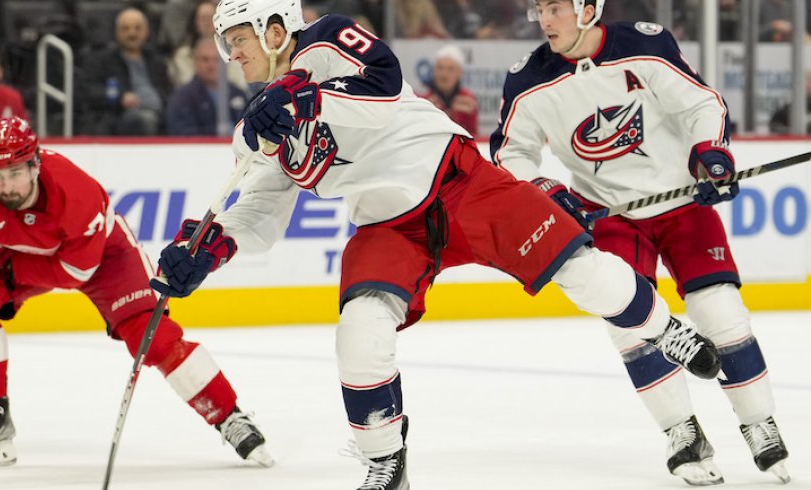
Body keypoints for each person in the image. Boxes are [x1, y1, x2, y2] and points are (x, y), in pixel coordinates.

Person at [150, 1, 722, 488]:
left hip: (460, 182)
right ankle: (384, 459)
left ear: (276, 28)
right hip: (389, 226)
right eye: (225, 45)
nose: (232, 55)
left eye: (238, 39)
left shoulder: (326, 42)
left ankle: (662, 328)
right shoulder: (257, 129)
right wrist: (209, 248)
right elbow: (260, 211)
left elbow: (383, 78)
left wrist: (308, 99)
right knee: (360, 327)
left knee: (585, 272)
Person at [491, 0, 789, 485]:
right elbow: (510, 152)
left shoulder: (643, 45)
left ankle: (760, 423)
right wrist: (546, 189)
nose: (545, 20)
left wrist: (711, 152)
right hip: (610, 213)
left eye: (556, 8)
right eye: (539, 9)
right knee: (629, 326)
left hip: (682, 200)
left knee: (720, 310)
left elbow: (700, 103)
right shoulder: (528, 78)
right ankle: (683, 432)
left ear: (589, 8)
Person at [0, 117, 272, 469]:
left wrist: (12, 275)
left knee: (155, 340)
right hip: (22, 257)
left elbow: (76, 271)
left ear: (35, 164)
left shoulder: (76, 191)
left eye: (14, 173)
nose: (5, 186)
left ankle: (229, 416)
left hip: (105, 258)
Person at [79, 8, 173, 136]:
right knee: (143, 119)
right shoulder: (101, 61)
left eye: (137, 28)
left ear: (146, 32)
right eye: (125, 29)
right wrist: (120, 97)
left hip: (160, 114)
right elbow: (89, 91)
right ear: (116, 32)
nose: (132, 33)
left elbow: (168, 92)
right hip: (121, 117)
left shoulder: (157, 61)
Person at [166, 38, 249, 136]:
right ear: (195, 62)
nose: (211, 65)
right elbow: (182, 134)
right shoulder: (183, 98)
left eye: (216, 60)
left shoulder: (238, 93)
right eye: (205, 60)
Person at [418, 44, 479, 137]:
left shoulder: (469, 101)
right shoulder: (424, 102)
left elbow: (474, 136)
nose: (444, 73)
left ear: (460, 73)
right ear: (434, 71)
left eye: (450, 69)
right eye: (440, 68)